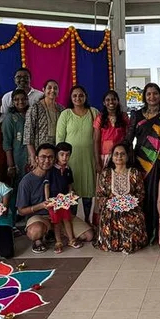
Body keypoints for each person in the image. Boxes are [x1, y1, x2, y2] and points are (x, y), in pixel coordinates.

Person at [126, 83, 160, 243]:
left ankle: (159, 232)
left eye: (155, 93)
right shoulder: (136, 115)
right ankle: (142, 232)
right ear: (144, 96)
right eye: (148, 94)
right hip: (140, 162)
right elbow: (129, 139)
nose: (152, 97)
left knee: (159, 196)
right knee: (142, 196)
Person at [96, 143, 149, 253]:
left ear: (127, 156)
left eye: (122, 154)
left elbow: (141, 193)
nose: (119, 156)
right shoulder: (106, 173)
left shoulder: (134, 173)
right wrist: (112, 203)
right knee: (109, 219)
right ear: (112, 157)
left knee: (133, 220)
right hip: (111, 209)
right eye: (116, 154)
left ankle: (129, 243)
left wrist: (128, 202)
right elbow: (100, 195)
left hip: (131, 209)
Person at [56, 85, 98, 219]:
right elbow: (60, 139)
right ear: (70, 98)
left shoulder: (94, 112)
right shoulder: (66, 114)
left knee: (88, 190)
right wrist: (60, 161)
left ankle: (87, 220)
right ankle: (73, 221)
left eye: (81, 95)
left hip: (89, 158)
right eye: (75, 95)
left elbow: (100, 137)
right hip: (70, 160)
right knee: (71, 191)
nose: (78, 98)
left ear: (85, 97)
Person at [45, 142, 84, 253]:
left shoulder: (68, 170)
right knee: (56, 222)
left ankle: (71, 239)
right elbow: (46, 185)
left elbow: (70, 184)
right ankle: (58, 242)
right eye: (62, 154)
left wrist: (70, 193)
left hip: (65, 200)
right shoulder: (51, 170)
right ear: (56, 155)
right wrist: (47, 199)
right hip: (54, 201)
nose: (64, 157)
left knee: (67, 219)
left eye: (67, 155)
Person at [18, 143, 54, 253]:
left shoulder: (57, 174)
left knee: (88, 235)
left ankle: (50, 232)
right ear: (36, 159)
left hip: (58, 215)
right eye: (43, 157)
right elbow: (21, 211)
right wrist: (41, 206)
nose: (47, 161)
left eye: (50, 157)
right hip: (38, 217)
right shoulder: (26, 181)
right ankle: (40, 237)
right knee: (36, 231)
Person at [2, 89, 31, 209]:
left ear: (27, 100)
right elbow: (7, 143)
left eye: (23, 99)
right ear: (12, 102)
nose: (20, 102)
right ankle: (17, 212)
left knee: (31, 184)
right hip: (18, 156)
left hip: (32, 155)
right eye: (16, 99)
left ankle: (29, 212)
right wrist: (11, 165)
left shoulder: (31, 114)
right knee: (18, 184)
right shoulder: (10, 118)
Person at [24, 79, 63, 165]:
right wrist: (33, 155)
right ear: (43, 90)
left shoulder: (61, 109)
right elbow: (28, 133)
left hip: (56, 151)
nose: (52, 90)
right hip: (39, 152)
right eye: (49, 88)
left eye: (55, 88)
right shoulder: (35, 108)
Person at [93, 89, 127, 170]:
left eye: (113, 99)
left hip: (120, 155)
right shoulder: (100, 118)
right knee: (106, 177)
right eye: (108, 100)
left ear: (118, 101)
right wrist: (97, 162)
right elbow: (96, 141)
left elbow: (128, 137)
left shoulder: (124, 117)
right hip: (105, 156)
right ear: (104, 103)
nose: (111, 102)